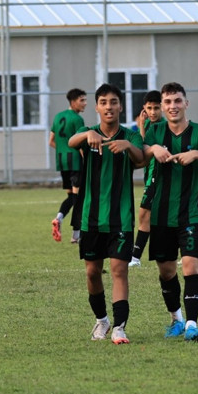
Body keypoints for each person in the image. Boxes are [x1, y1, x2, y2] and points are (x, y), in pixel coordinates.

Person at [142, 82, 198, 342]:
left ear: (186, 103)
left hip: (191, 214)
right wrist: (152, 149)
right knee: (167, 272)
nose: (173, 106)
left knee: (191, 267)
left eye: (177, 101)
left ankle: (192, 324)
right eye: (168, 102)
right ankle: (176, 319)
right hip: (161, 215)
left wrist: (196, 154)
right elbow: (138, 156)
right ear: (162, 106)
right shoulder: (154, 131)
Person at [69, 84, 145, 345]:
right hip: (91, 218)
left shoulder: (130, 136)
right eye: (103, 102)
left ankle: (120, 328)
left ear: (120, 106)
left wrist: (127, 146)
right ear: (97, 107)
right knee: (92, 272)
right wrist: (87, 134)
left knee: (119, 270)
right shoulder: (88, 132)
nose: (109, 107)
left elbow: (141, 157)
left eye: (113, 102)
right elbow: (71, 141)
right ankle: (102, 320)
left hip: (120, 217)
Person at [49, 88, 88, 243]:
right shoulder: (77, 119)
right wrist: (87, 160)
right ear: (73, 102)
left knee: (72, 196)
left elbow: (51, 141)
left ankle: (59, 218)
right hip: (75, 162)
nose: (85, 103)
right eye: (82, 100)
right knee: (79, 198)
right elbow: (80, 144)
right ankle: (76, 235)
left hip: (62, 161)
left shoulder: (58, 116)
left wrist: (63, 150)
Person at [130, 90, 164, 267]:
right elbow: (140, 148)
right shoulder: (149, 124)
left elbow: (144, 151)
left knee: (145, 215)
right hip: (150, 175)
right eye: (149, 108)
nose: (152, 112)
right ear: (144, 108)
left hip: (157, 177)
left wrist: (141, 127)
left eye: (156, 108)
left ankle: (135, 257)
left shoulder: (163, 126)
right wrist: (142, 126)